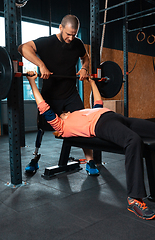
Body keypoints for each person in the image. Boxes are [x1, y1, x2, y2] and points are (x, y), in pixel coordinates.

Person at [26, 71, 155, 220]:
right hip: (100, 125)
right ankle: (134, 198)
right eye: (63, 113)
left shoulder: (82, 111)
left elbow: (98, 102)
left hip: (116, 117)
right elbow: (43, 107)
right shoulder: (61, 126)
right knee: (133, 141)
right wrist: (32, 82)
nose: (65, 112)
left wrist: (91, 81)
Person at [18, 14, 98, 175]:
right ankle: (35, 158)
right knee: (42, 127)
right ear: (60, 28)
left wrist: (84, 68)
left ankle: (90, 161)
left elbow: (85, 57)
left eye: (74, 35)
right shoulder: (47, 42)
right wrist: (41, 65)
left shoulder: (77, 44)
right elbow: (23, 48)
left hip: (70, 94)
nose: (70, 38)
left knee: (83, 126)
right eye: (68, 34)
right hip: (50, 94)